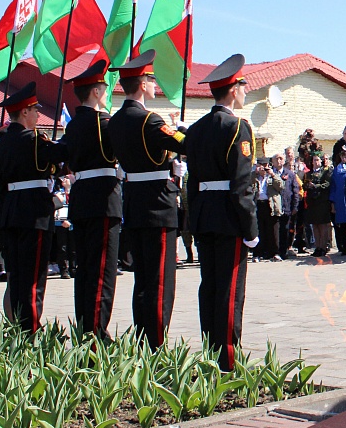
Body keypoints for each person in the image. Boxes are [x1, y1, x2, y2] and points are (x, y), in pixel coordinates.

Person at [183, 54, 259, 371]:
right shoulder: (238, 127)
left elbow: (192, 181)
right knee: (229, 291)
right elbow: (241, 186)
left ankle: (211, 352)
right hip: (229, 219)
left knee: (210, 287)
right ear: (232, 89)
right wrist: (251, 230)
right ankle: (227, 360)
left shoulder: (196, 130)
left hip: (203, 216)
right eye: (242, 85)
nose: (245, 90)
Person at [107, 50, 185, 348]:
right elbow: (184, 144)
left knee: (142, 280)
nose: (155, 85)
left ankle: (142, 337)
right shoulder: (150, 120)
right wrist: (181, 133)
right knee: (160, 282)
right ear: (141, 83)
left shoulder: (115, 121)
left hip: (134, 203)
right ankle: (155, 343)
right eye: (151, 79)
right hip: (158, 205)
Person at [0, 84, 66, 330]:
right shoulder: (33, 142)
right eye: (34, 110)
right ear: (24, 112)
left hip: (11, 212)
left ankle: (18, 326)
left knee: (18, 275)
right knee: (34, 277)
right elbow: (61, 157)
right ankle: (30, 329)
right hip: (34, 213)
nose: (37, 115)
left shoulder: (0, 145)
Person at [61, 60, 123, 340]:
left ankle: (85, 324)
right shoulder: (103, 123)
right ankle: (96, 333)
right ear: (97, 92)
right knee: (102, 270)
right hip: (102, 199)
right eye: (104, 88)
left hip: (82, 198)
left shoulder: (72, 126)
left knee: (85, 269)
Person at [303, 154, 334, 256]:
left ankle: (323, 246)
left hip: (322, 201)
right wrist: (307, 185)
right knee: (315, 225)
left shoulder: (325, 172)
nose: (316, 162)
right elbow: (305, 184)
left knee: (323, 225)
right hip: (312, 202)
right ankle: (317, 247)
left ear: (321, 162)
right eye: (314, 160)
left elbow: (327, 184)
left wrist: (315, 186)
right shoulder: (309, 173)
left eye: (318, 160)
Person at [330, 149, 346, 255]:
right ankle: (344, 247)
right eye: (342, 156)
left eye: (345, 156)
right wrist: (333, 202)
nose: (344, 158)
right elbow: (333, 186)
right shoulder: (336, 169)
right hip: (340, 200)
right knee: (342, 225)